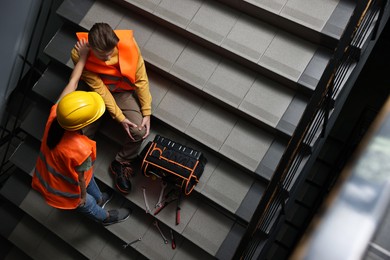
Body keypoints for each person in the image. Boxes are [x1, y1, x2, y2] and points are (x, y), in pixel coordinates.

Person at [32, 39, 131, 226]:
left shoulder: (57, 113)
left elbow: (73, 81)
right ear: (85, 123)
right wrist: (83, 196)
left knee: (89, 177)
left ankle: (100, 197)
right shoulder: (80, 149)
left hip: (56, 171)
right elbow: (80, 180)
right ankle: (106, 218)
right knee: (88, 204)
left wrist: (83, 55)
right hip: (66, 191)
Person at [71, 23, 152, 194]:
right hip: (95, 93)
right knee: (80, 134)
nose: (108, 59)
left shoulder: (129, 45)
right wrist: (120, 118)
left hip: (121, 92)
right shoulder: (79, 54)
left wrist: (147, 111)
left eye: (111, 52)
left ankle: (121, 162)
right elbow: (100, 90)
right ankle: (81, 174)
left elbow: (142, 79)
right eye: (102, 55)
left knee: (139, 131)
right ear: (91, 48)